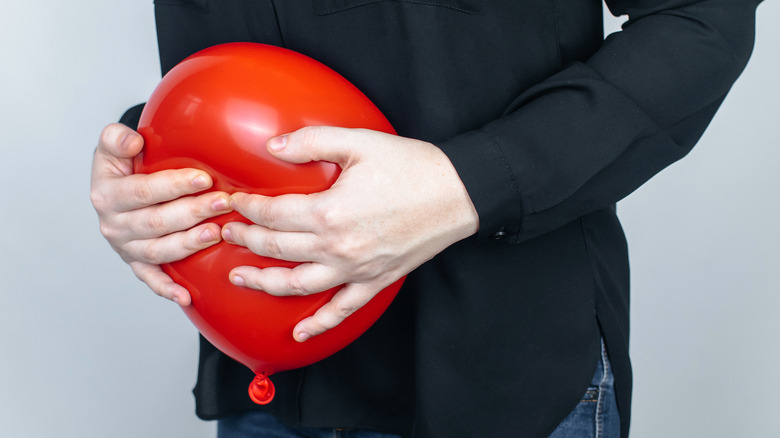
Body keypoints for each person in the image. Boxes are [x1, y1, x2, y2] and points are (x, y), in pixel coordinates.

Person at [90, 0, 761, 437]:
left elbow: (704, 17)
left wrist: (468, 183)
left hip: (507, 383)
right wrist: (144, 166)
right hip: (266, 387)